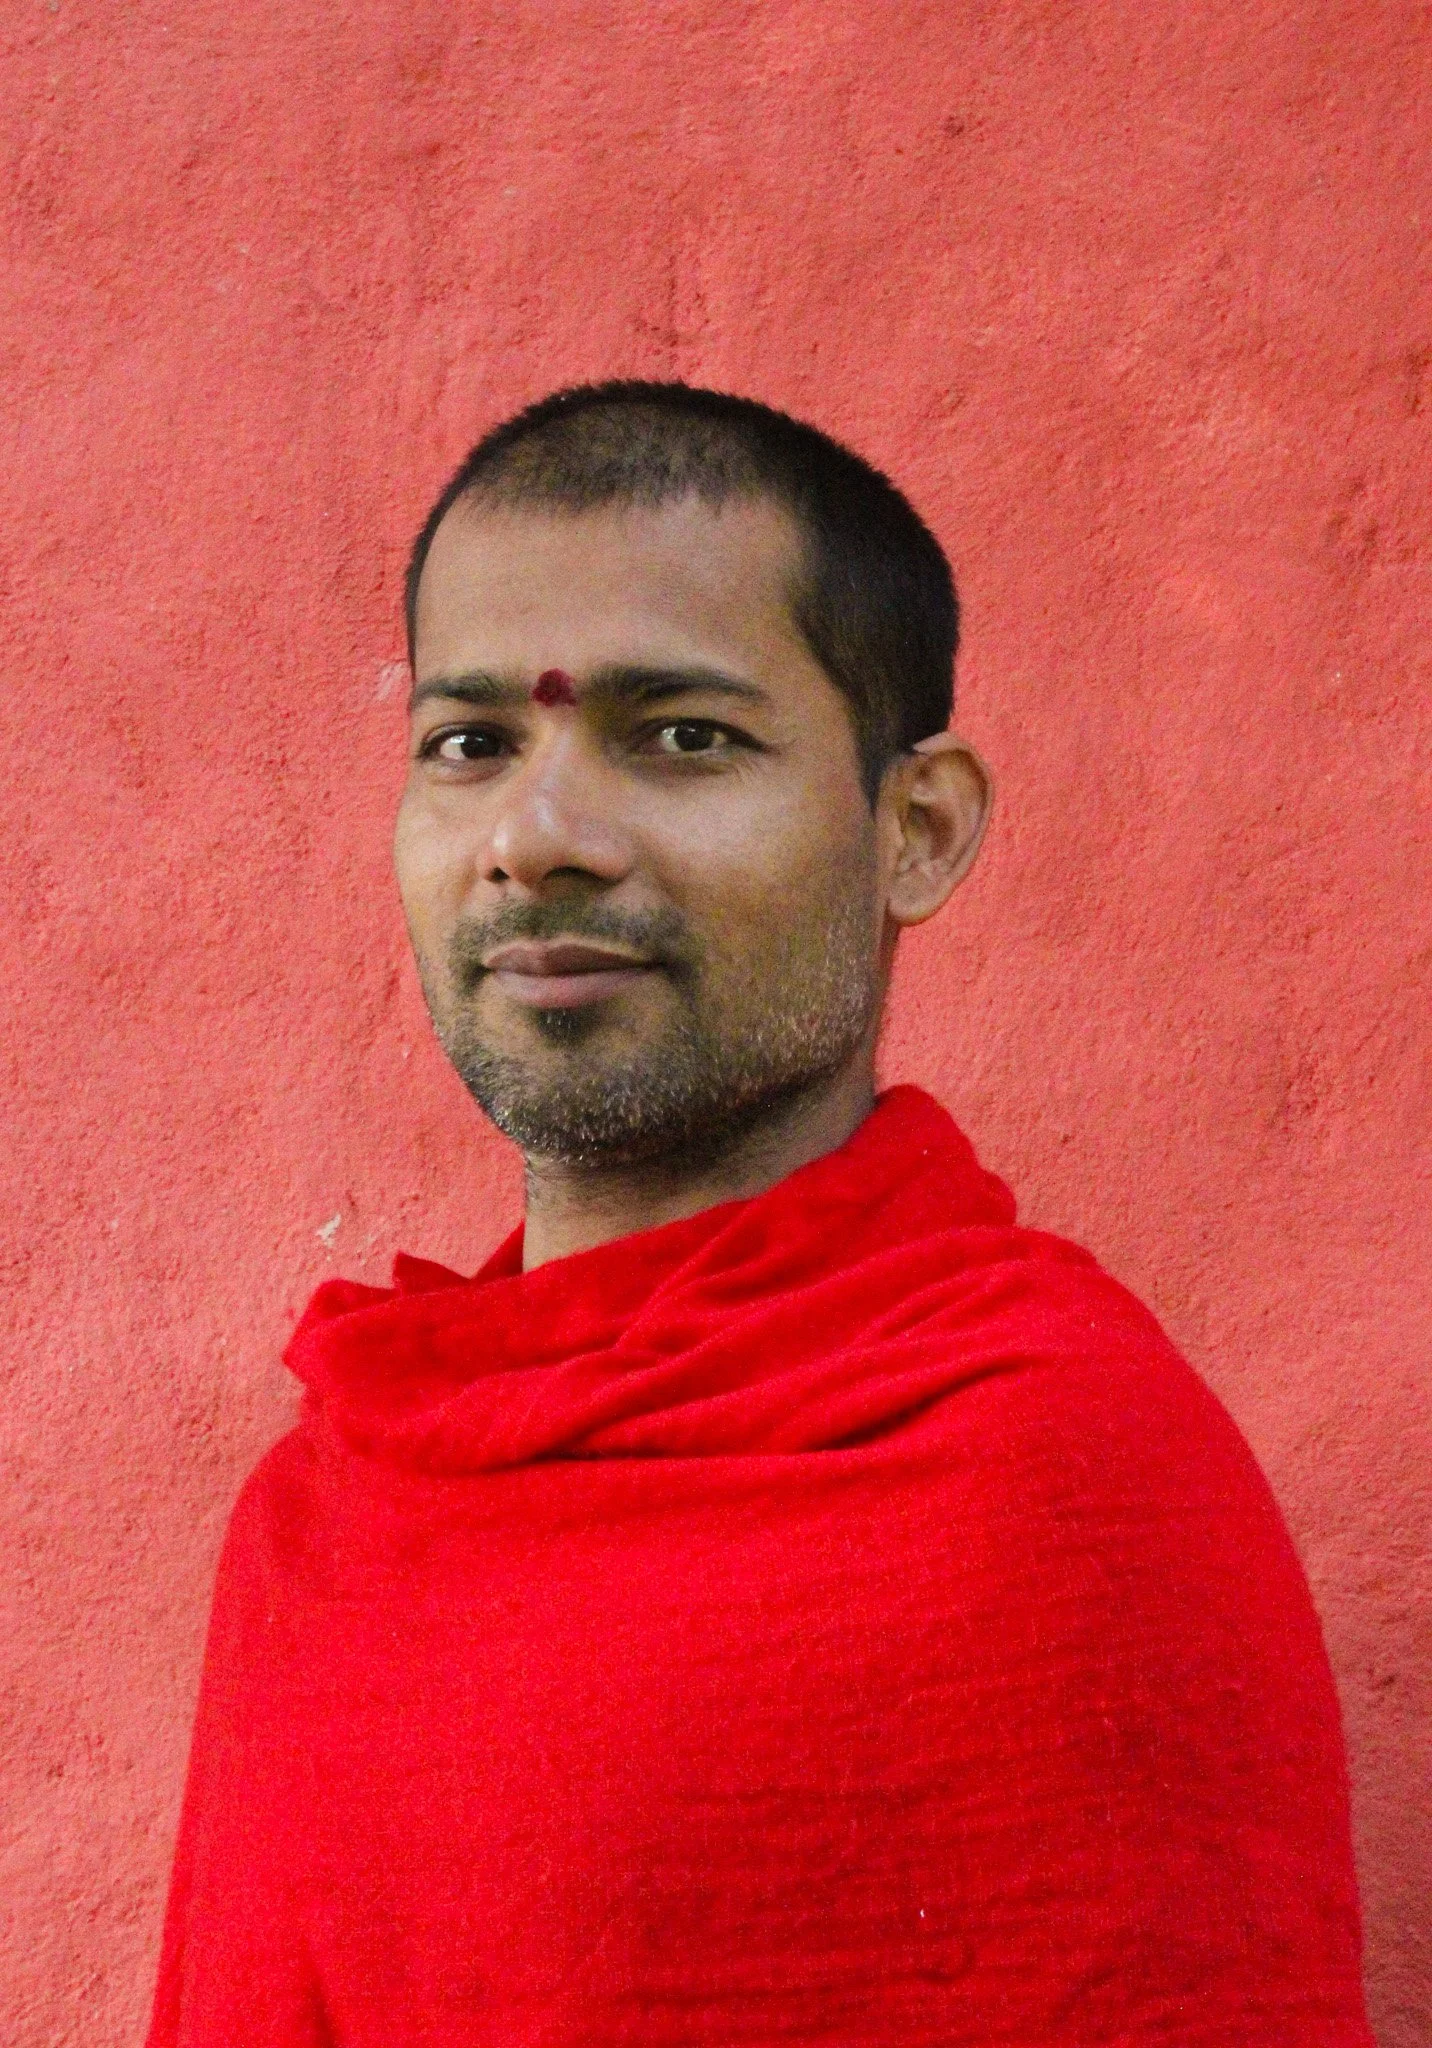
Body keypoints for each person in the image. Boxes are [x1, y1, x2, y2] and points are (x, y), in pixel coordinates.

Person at [146, 383, 1372, 2046]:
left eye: (682, 736)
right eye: (470, 742)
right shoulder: (329, 1507)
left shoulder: (1057, 1477)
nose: (537, 838)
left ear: (916, 830)